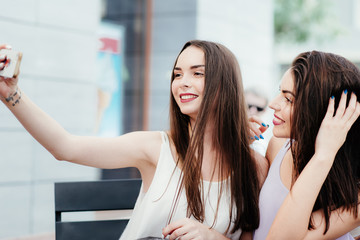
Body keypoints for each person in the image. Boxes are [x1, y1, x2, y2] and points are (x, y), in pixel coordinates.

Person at [0, 41, 268, 240]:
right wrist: (12, 94)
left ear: (225, 85)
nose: (182, 83)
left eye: (197, 73)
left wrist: (211, 236)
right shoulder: (155, 148)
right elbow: (65, 146)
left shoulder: (252, 166)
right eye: (177, 74)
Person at [253, 51, 360, 240]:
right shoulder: (277, 146)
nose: (272, 104)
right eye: (280, 92)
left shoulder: (355, 192)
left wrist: (324, 155)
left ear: (323, 110)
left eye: (288, 99)